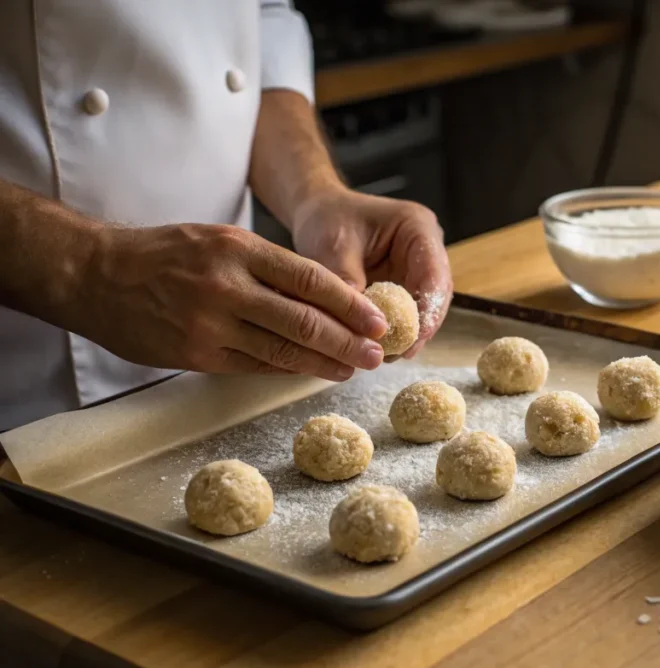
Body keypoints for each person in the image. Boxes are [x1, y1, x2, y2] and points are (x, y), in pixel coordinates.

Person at [0, 1, 453, 431]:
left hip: (228, 376)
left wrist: (315, 193)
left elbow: (263, 20)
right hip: (25, 391)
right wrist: (88, 269)